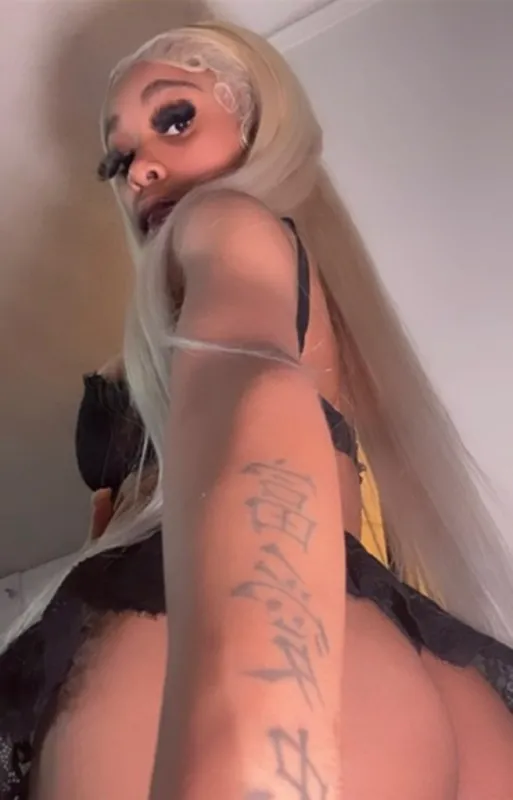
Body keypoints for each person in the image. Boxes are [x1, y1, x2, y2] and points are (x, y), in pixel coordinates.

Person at [1, 19, 513, 800]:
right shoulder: (277, 300)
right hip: (386, 651)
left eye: (175, 119)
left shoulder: (224, 224)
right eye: (119, 157)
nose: (140, 168)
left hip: (216, 620)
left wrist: (254, 726)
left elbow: (249, 377)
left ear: (255, 124)